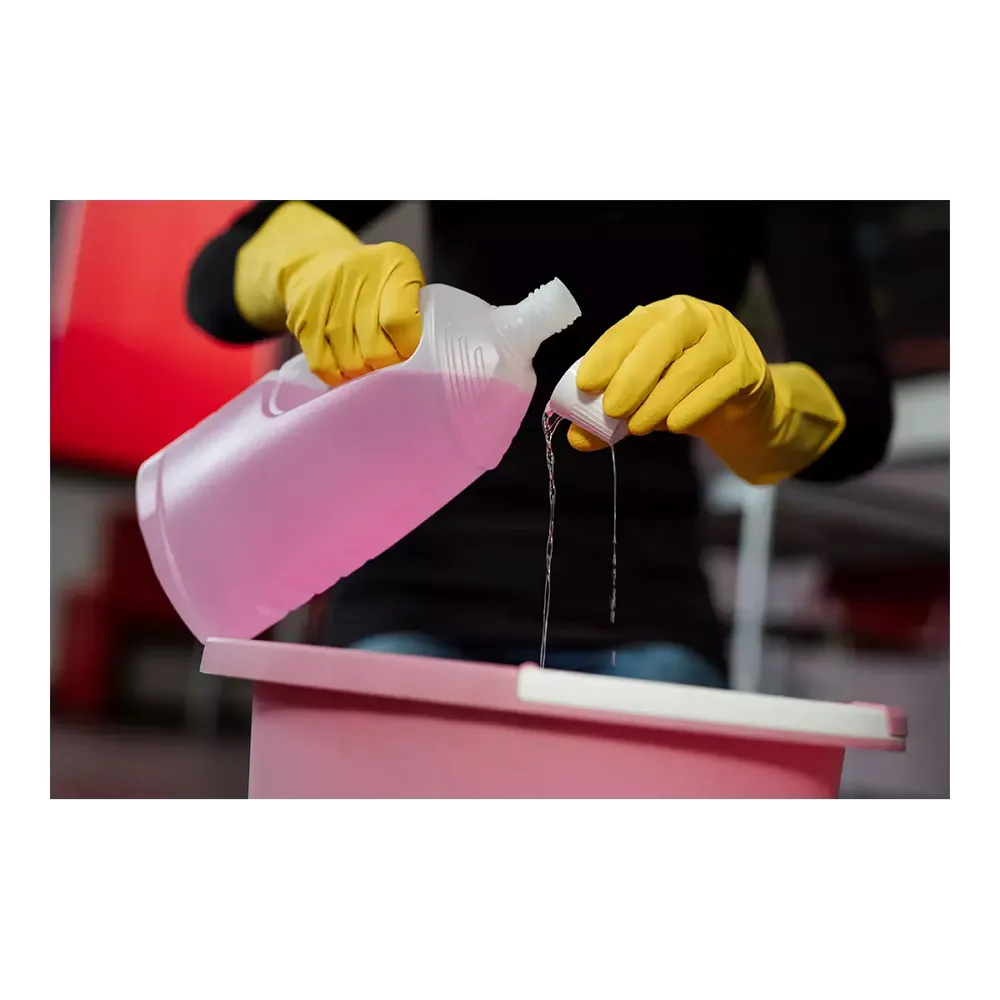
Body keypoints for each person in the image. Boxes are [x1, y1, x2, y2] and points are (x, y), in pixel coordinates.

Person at [186, 201, 892, 688]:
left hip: (639, 613)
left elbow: (860, 409)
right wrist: (309, 267)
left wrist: (759, 404)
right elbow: (216, 277)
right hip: (412, 595)